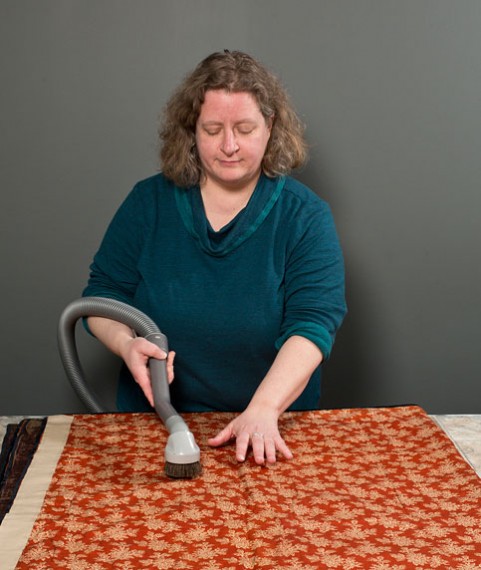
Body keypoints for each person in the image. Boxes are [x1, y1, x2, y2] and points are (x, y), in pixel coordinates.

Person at [83, 50, 347, 466]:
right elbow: (101, 297)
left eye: (244, 129)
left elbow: (313, 326)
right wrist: (126, 342)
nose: (229, 145)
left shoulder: (304, 217)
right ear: (191, 130)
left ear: (270, 126)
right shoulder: (147, 203)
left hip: (268, 429)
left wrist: (264, 409)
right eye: (212, 129)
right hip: (157, 426)